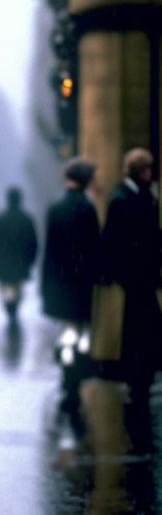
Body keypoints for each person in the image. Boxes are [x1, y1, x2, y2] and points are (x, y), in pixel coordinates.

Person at [96, 147, 162, 448]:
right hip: (135, 280)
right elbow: (114, 241)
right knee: (138, 334)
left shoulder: (142, 195)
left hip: (143, 279)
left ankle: (142, 381)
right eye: (147, 169)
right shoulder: (123, 199)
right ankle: (138, 383)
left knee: (144, 334)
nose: (151, 173)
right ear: (138, 171)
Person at [40, 157, 100, 433]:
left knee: (67, 335)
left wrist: (45, 285)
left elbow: (49, 251)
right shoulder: (87, 209)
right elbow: (94, 250)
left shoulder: (55, 208)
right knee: (81, 336)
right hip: (81, 285)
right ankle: (74, 382)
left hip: (59, 285)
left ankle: (67, 378)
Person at [0, 186, 38, 324]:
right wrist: (31, 260)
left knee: (7, 288)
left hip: (3, 264)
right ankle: (13, 308)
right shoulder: (26, 219)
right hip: (20, 263)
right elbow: (33, 243)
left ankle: (10, 308)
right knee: (16, 287)